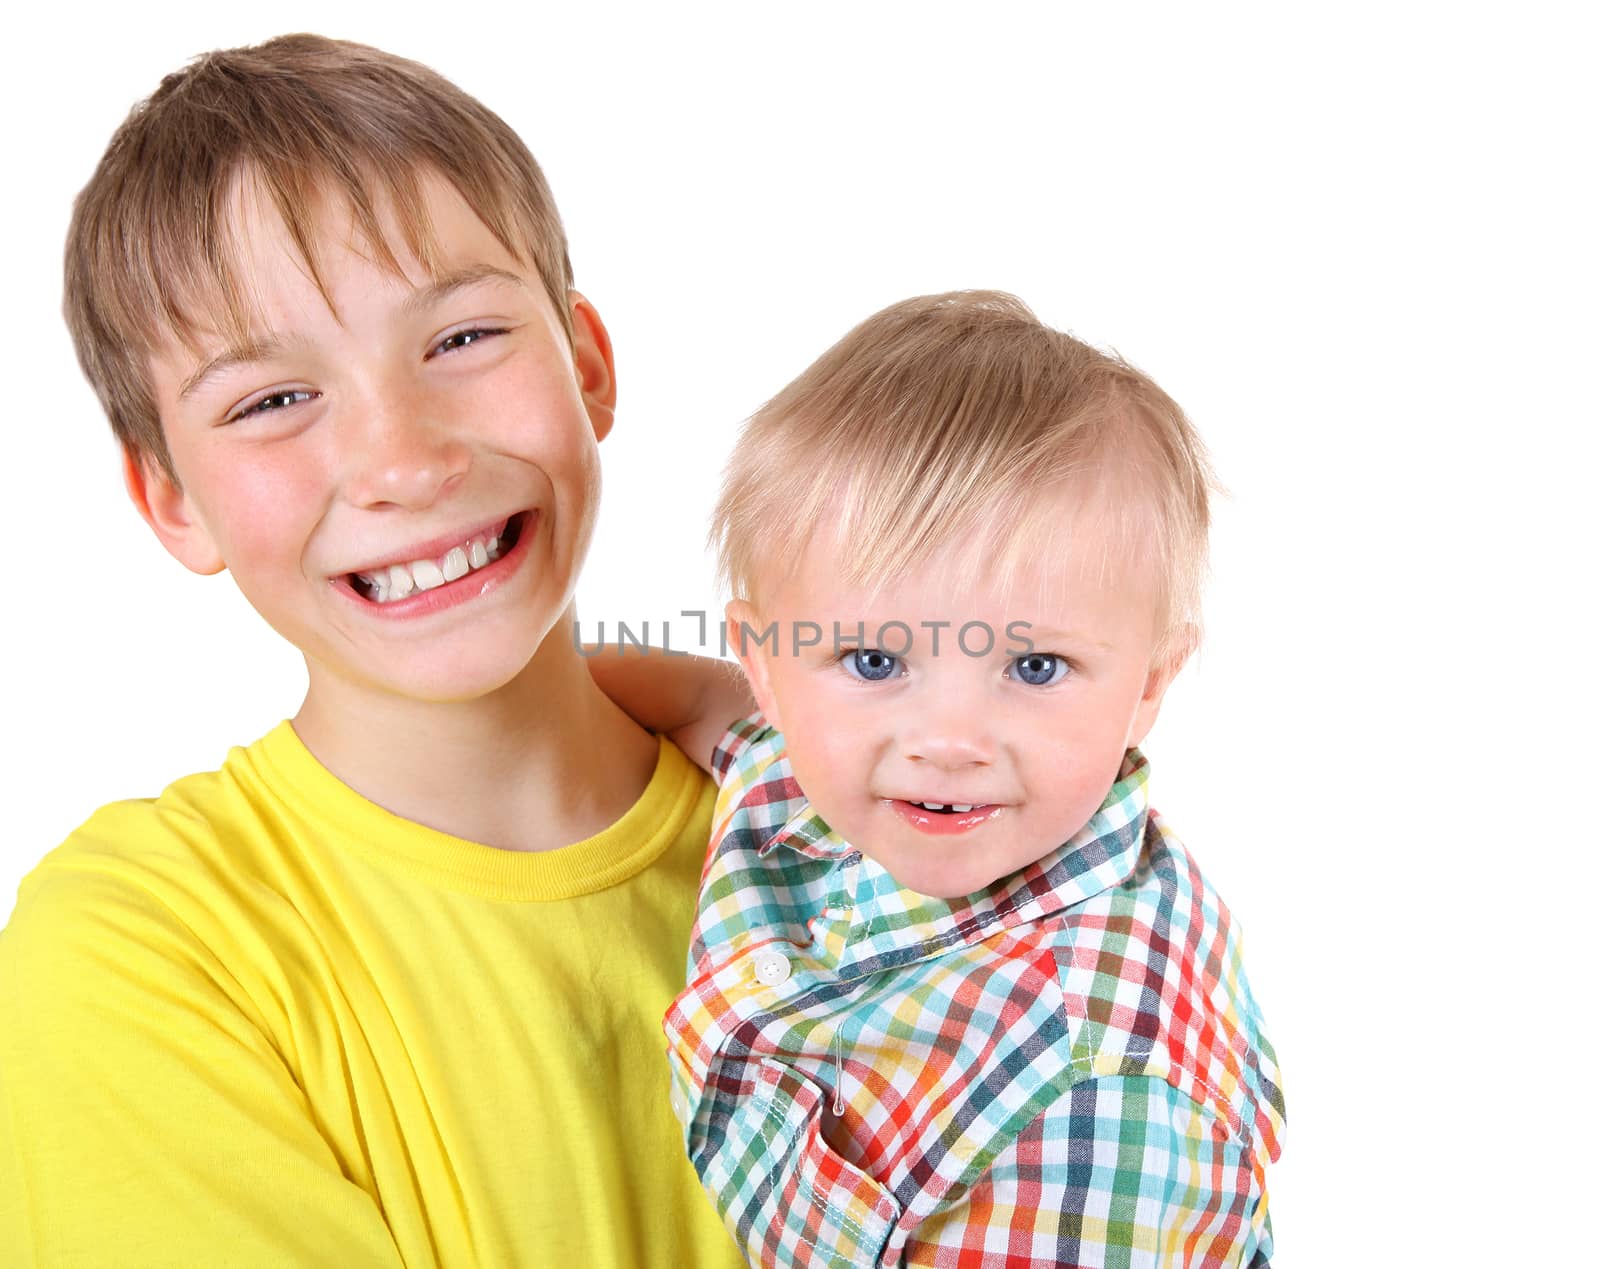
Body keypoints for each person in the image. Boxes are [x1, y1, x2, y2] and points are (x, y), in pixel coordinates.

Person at [0, 34, 744, 1266]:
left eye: (461, 339)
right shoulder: (145, 948)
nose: (405, 461)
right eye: (271, 401)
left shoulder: (856, 841)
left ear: (589, 365)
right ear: (172, 501)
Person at [623, 293, 1287, 1266]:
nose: (946, 740)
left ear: (1147, 684)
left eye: (1034, 668)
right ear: (765, 662)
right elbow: (689, 701)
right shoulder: (796, 761)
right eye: (875, 663)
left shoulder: (1099, 1094)